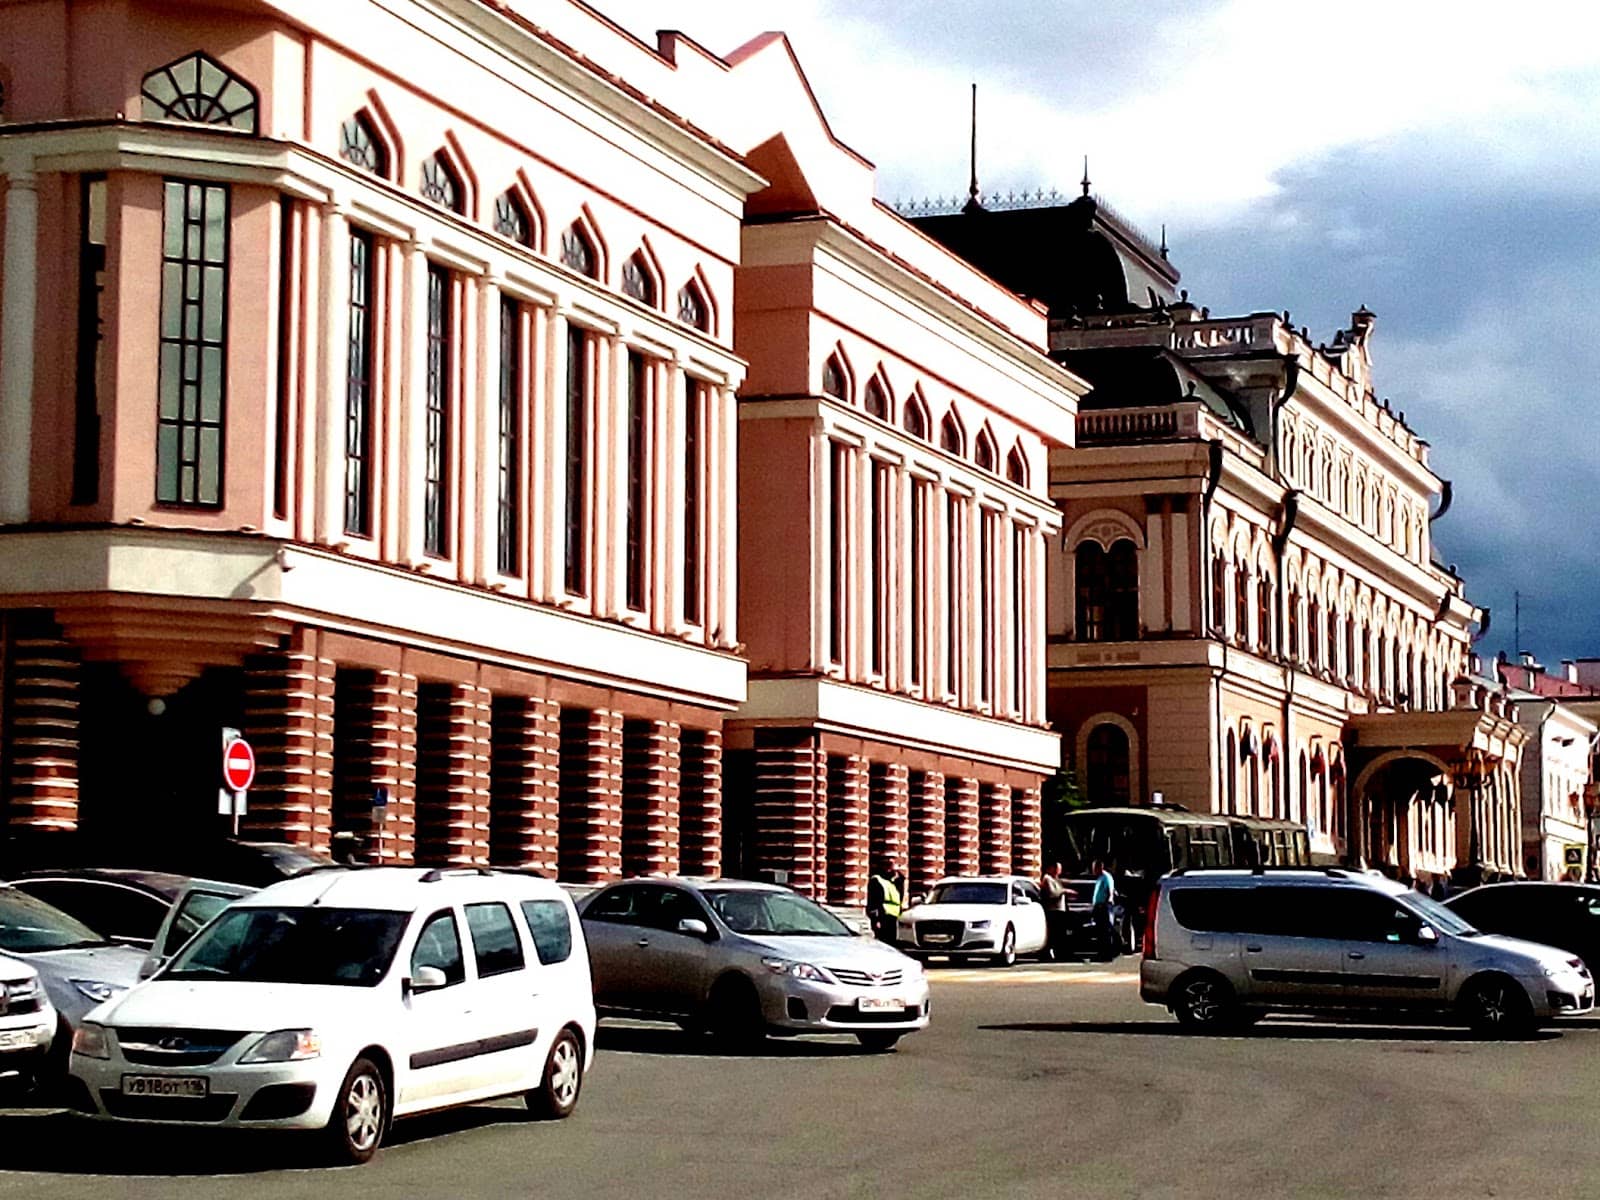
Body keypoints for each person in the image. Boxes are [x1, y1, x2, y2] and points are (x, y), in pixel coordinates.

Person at [866, 861, 902, 944]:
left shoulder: (892, 882)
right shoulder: (877, 880)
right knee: (883, 942)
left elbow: (901, 883)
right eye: (891, 868)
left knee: (892, 942)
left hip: (894, 918)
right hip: (883, 916)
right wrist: (875, 920)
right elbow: (873, 902)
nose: (894, 871)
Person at [1040, 862, 1068, 960]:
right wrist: (1064, 891)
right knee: (1053, 933)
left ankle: (1058, 953)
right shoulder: (1047, 879)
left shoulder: (1057, 880)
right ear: (1051, 868)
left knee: (1059, 934)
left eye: (1059, 869)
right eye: (1056, 869)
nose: (1058, 871)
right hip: (1053, 910)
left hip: (1060, 910)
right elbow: (1052, 893)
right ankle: (1047, 954)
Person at [1090, 859, 1117, 960]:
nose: (1093, 871)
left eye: (1095, 868)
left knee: (1105, 931)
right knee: (1100, 932)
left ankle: (1107, 954)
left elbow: (1110, 891)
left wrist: (1108, 900)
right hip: (1098, 906)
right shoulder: (1099, 878)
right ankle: (1101, 953)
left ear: (1100, 867)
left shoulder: (1106, 877)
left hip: (1104, 907)